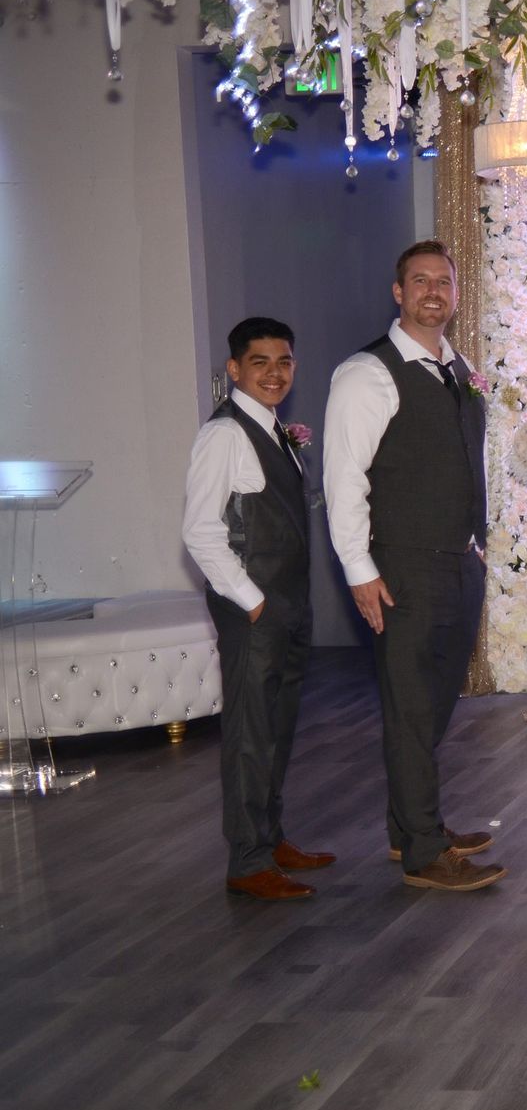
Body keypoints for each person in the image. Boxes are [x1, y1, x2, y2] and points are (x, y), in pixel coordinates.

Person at [323, 239, 504, 891]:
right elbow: (346, 480)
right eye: (419, 281)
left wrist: (479, 548)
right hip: (401, 566)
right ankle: (426, 853)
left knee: (430, 708)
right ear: (398, 293)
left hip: (459, 563)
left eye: (444, 283)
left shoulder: (459, 371)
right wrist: (359, 569)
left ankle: (412, 828)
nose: (433, 291)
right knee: (408, 710)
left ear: (454, 297)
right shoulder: (367, 374)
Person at [183, 317, 335, 901]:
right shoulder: (224, 435)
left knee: (278, 726)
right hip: (255, 606)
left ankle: (269, 839)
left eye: (284, 362)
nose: (274, 373)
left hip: (287, 604)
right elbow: (200, 532)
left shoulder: (274, 431)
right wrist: (252, 603)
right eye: (260, 362)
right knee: (250, 731)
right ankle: (247, 861)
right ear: (234, 369)